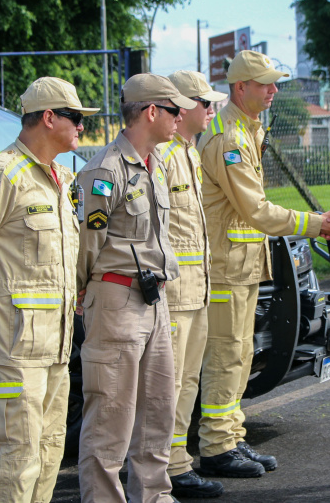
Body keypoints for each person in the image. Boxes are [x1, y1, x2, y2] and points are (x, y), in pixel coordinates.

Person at [195, 50, 330, 478]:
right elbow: (256, 211)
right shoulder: (228, 138)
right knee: (227, 357)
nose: (274, 91)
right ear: (240, 87)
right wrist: (317, 223)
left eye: (274, 83)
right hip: (226, 266)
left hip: (242, 265)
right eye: (265, 84)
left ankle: (230, 437)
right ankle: (216, 448)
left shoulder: (246, 129)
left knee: (241, 354)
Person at [0, 77, 96, 503]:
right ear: (48, 118)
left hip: (54, 345)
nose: (81, 128)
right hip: (10, 346)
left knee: (49, 451)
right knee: (14, 458)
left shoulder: (63, 179)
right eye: (75, 118)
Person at [76, 73, 194, 503]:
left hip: (152, 299)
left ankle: (154, 496)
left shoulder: (155, 163)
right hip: (116, 300)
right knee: (110, 418)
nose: (181, 117)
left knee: (157, 413)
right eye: (175, 110)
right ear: (151, 112)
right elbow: (86, 246)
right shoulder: (105, 170)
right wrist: (84, 296)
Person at [161, 70, 227, 498]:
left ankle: (177, 461)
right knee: (167, 383)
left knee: (186, 382)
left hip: (195, 290)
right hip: (172, 295)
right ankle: (165, 466)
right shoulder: (164, 157)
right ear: (182, 108)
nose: (211, 110)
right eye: (205, 104)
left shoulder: (189, 153)